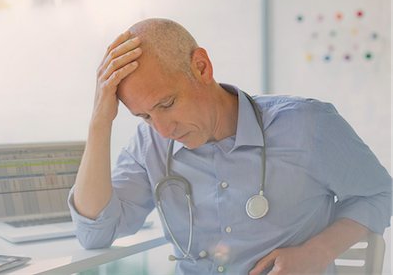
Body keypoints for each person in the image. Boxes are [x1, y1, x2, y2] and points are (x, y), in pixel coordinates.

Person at [68, 18, 391, 274]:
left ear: (201, 67)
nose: (163, 130)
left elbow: (380, 193)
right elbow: (95, 233)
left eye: (166, 103)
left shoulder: (307, 125)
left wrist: (317, 253)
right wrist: (100, 123)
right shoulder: (148, 145)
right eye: (144, 117)